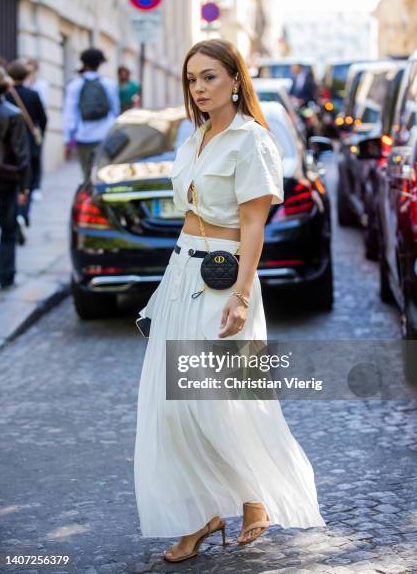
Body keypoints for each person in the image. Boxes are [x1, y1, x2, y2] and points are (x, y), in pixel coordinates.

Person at [133, 38, 326, 564]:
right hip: (181, 271)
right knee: (171, 405)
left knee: (216, 398)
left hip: (223, 277)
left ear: (236, 80)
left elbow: (253, 225)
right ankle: (202, 516)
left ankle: (254, 497)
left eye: (210, 77)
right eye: (192, 79)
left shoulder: (252, 141)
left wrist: (241, 295)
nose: (199, 88)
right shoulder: (191, 140)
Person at [63, 48, 120, 184]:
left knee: (86, 173)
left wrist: (67, 139)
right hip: (104, 134)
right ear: (99, 64)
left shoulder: (75, 85)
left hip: (83, 136)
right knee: (104, 173)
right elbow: (115, 110)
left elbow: (69, 113)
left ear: (83, 63)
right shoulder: (109, 84)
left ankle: (89, 199)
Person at [0, 65, 30, 288]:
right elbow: (21, 155)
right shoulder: (13, 114)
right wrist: (25, 187)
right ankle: (5, 274)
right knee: (8, 227)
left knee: (9, 227)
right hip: (5, 178)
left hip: (4, 177)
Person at [6, 59, 47, 235]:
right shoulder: (33, 95)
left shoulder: (5, 95)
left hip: (8, 145)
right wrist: (39, 135)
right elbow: (43, 119)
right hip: (29, 142)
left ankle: (15, 213)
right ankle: (23, 212)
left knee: (12, 179)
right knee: (27, 179)